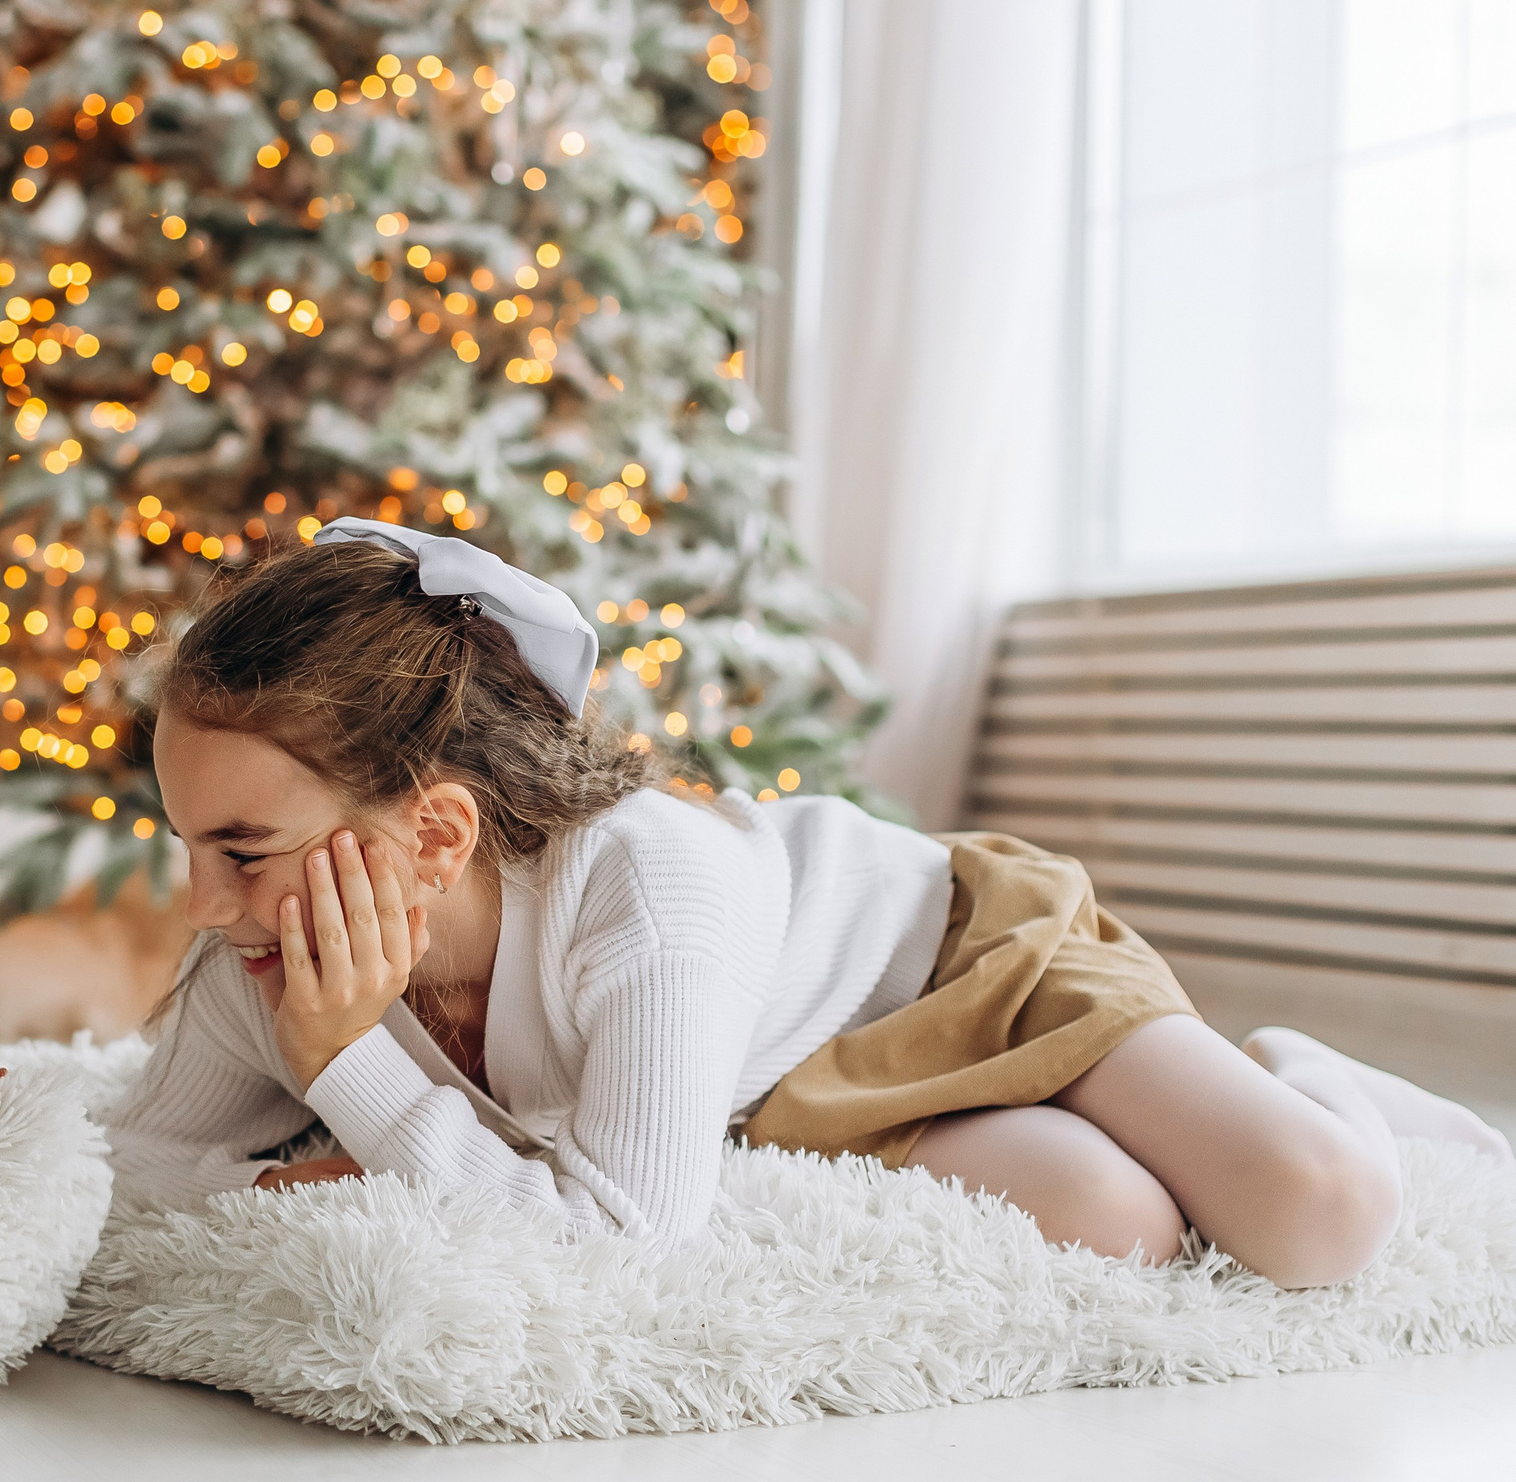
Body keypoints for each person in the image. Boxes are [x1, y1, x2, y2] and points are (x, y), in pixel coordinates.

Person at [112, 518, 1509, 1290]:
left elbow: (621, 1247)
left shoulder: (649, 888)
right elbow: (136, 1169)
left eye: (242, 846)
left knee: (1317, 1214)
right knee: (1113, 1222)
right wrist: (301, 1159)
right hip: (792, 1086)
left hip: (960, 965)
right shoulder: (265, 945)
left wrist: (350, 1076)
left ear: (435, 834)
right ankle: (1137, 1131)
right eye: (186, 843)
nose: (201, 902)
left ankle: (1302, 1073)